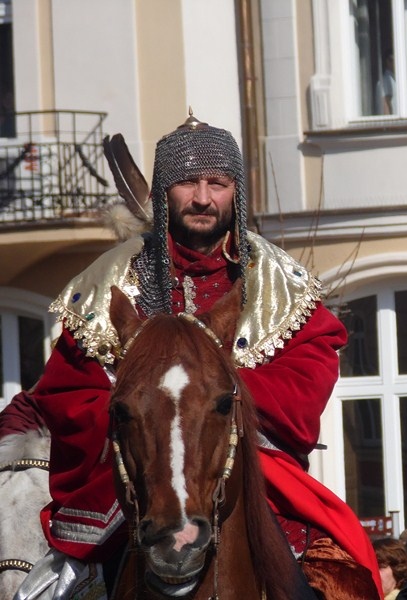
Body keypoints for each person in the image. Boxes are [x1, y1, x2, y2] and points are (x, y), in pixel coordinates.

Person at [0, 113, 382, 599]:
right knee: (55, 586)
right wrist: (143, 412)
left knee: (342, 577)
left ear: (235, 191)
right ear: (164, 192)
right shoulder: (110, 279)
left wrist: (211, 397)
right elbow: (68, 388)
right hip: (131, 473)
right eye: (188, 183)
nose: (203, 198)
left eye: (216, 184)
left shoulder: (279, 281)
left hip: (253, 468)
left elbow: (309, 371)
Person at [376, 50, 396, 115]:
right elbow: (385, 103)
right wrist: (390, 120)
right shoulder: (387, 79)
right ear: (388, 61)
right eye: (393, 60)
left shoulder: (393, 79)